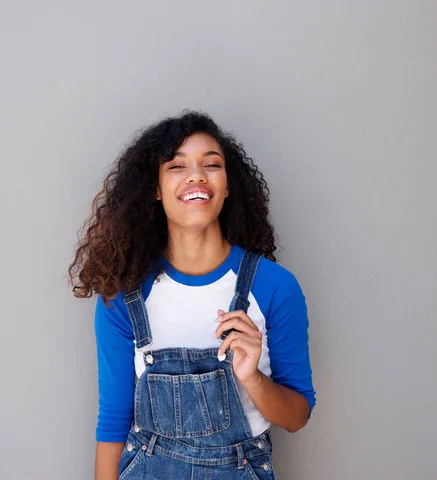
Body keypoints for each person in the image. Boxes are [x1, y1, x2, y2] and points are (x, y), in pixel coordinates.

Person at [68, 110, 316, 479]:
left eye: (211, 164)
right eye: (176, 166)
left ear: (228, 185)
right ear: (154, 189)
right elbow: (114, 421)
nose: (196, 175)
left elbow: (296, 417)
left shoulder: (274, 286)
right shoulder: (124, 295)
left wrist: (252, 378)